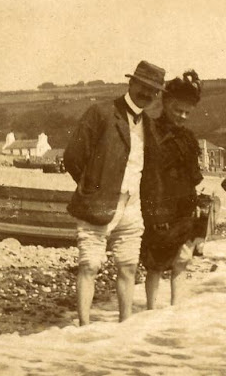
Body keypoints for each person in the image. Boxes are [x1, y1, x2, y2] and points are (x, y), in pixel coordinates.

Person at [64, 60, 165, 325]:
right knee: (89, 265)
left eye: (153, 91)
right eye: (142, 86)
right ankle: (84, 327)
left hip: (132, 205)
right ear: (130, 83)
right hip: (98, 203)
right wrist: (91, 188)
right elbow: (72, 156)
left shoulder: (149, 124)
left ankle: (124, 327)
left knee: (129, 266)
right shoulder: (101, 112)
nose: (146, 94)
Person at [140, 70, 204, 308]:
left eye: (187, 112)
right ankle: (150, 311)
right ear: (165, 102)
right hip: (158, 206)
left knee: (182, 261)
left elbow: (193, 177)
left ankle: (176, 313)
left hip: (184, 208)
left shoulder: (188, 138)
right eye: (178, 110)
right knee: (155, 264)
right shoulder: (150, 131)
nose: (183, 116)